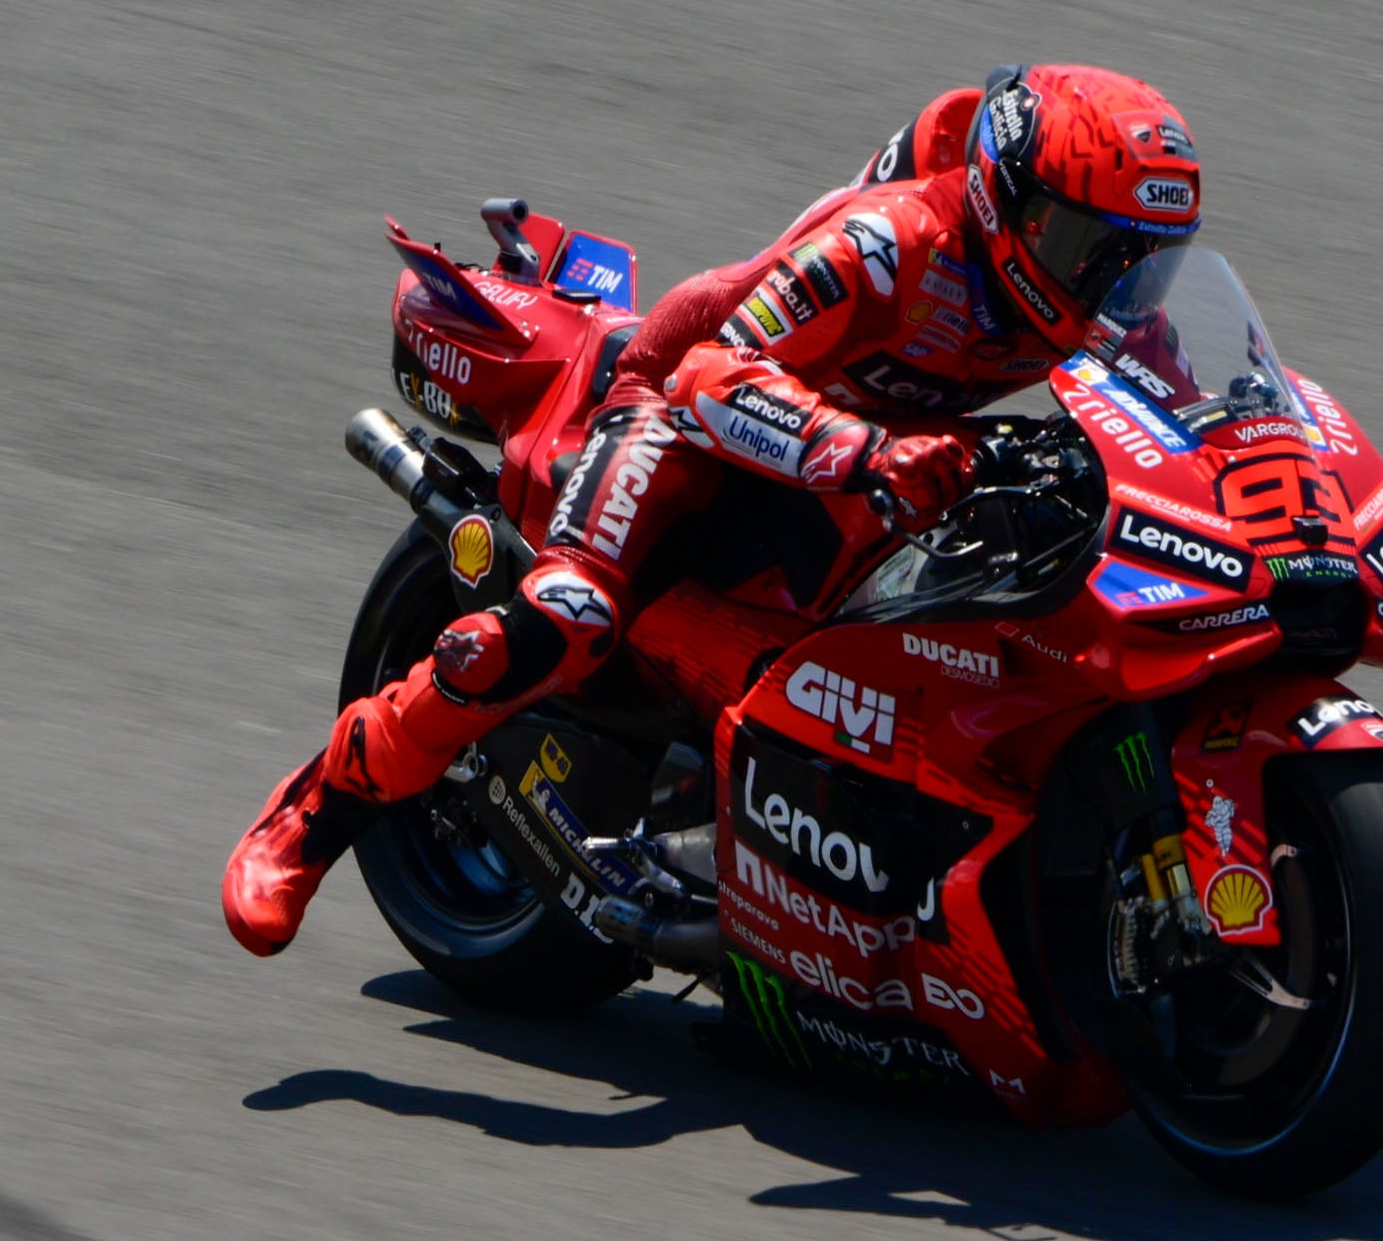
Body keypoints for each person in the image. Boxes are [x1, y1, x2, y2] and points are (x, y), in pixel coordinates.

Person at [223, 64, 1205, 956]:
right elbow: (709, 376)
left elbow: (1203, 414)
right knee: (569, 616)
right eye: (1091, 249)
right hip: (682, 420)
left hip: (848, 462)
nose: (1115, 284)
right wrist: (866, 452)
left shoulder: (1100, 299)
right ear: (1008, 204)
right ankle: (316, 810)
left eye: (1143, 260)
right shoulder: (894, 247)